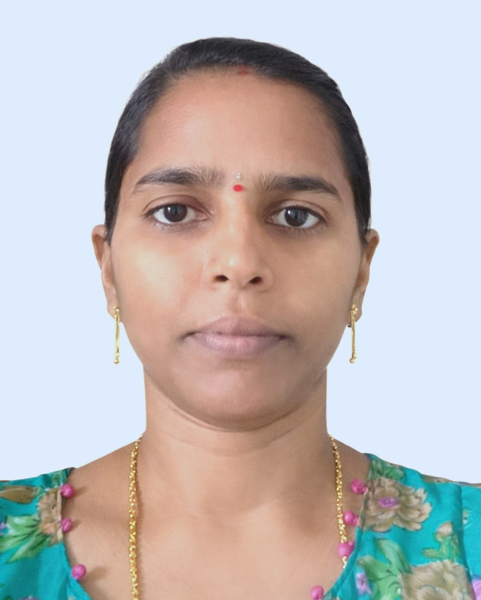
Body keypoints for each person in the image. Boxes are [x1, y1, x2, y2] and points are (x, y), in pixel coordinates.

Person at [0, 36, 479, 600]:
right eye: (174, 212)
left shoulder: (467, 543)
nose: (239, 262)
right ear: (109, 269)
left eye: (296, 216)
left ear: (360, 270)